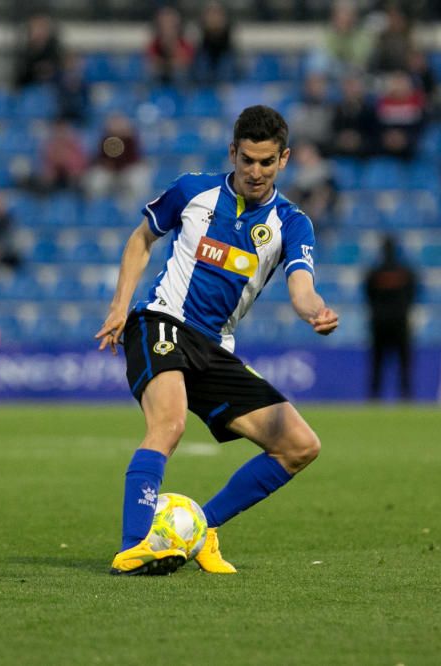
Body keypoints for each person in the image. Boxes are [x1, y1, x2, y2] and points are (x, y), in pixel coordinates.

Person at [95, 105, 338, 576]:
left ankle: (200, 529)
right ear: (233, 152)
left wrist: (315, 312)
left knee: (300, 446)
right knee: (168, 426)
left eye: (267, 162)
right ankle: (134, 545)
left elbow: (301, 287)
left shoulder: (292, 223)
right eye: (247, 159)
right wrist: (119, 305)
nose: (255, 171)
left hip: (215, 348)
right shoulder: (193, 190)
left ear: (284, 159)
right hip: (161, 322)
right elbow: (141, 239)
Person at [364, 235, 417, 400]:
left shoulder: (374, 273)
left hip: (379, 323)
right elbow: (413, 294)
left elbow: (368, 295)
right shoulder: (406, 272)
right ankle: (405, 395)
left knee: (377, 363)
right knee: (403, 363)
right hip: (400, 322)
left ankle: (374, 396)